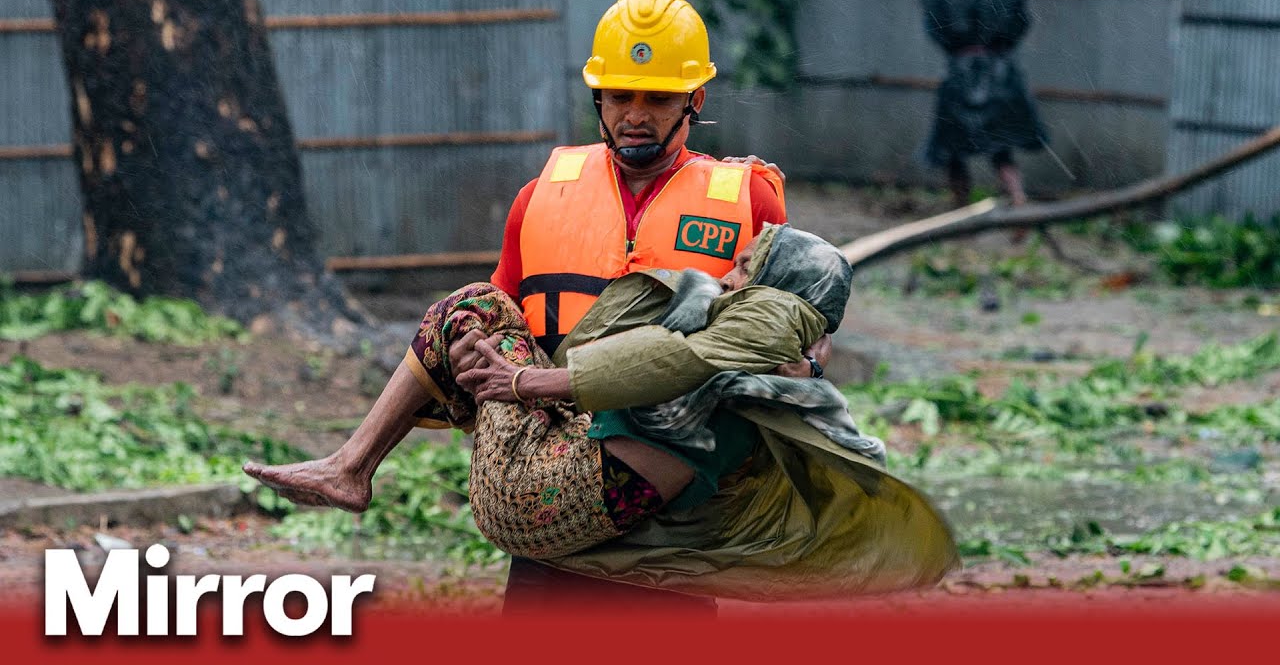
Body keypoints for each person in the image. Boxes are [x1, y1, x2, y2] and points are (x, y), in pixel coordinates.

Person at [245, 225, 956, 602]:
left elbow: (670, 362)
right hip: (581, 495)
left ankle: (349, 468)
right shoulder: (770, 359)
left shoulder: (748, 351)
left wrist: (523, 382)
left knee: (474, 310)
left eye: (745, 271)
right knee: (478, 333)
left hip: (543, 495)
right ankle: (355, 463)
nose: (727, 277)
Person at [919, 0, 1049, 212]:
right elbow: (1019, 14)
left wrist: (957, 44)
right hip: (1000, 66)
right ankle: (1016, 198)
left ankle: (960, 211)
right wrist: (1000, 42)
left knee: (952, 149)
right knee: (1000, 147)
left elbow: (935, 16)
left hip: (962, 66)